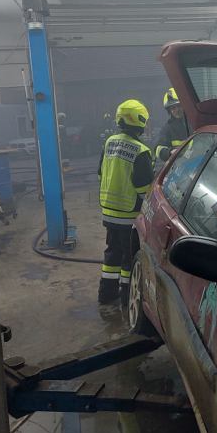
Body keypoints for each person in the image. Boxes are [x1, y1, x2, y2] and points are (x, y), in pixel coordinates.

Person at [98, 99, 154, 305]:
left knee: (112, 253)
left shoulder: (109, 142)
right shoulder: (140, 150)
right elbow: (144, 188)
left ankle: (106, 294)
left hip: (108, 211)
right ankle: (126, 297)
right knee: (129, 257)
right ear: (140, 120)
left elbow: (100, 173)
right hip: (129, 214)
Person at [155, 87, 188, 166]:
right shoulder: (167, 128)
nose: (177, 110)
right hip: (181, 168)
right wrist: (169, 152)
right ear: (169, 110)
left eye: (179, 106)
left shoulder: (193, 122)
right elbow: (158, 149)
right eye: (173, 108)